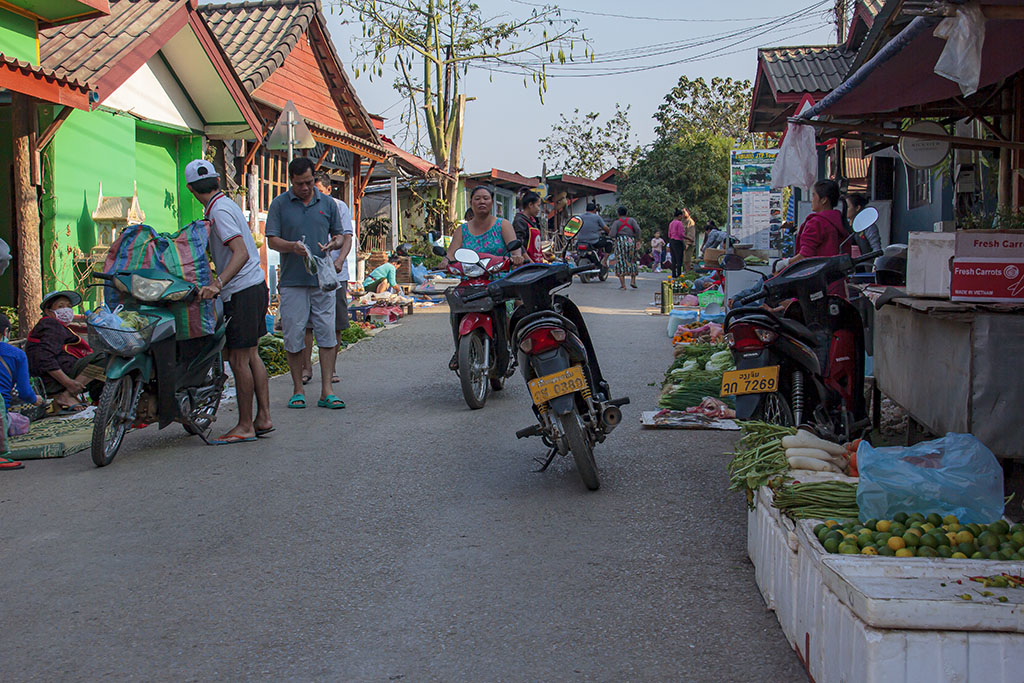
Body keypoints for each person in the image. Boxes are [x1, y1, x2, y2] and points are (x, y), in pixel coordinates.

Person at [184, 158, 273, 443]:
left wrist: (217, 283)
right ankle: (263, 418)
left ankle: (245, 425)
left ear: (190, 189)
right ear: (217, 182)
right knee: (251, 355)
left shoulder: (219, 211)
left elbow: (240, 252)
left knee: (238, 359)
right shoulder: (225, 205)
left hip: (242, 290)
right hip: (254, 286)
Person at [265, 156, 348, 411]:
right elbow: (272, 240)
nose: (306, 187)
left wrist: (334, 244)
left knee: (326, 334)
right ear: (291, 181)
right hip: (292, 281)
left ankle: (327, 391)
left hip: (322, 280)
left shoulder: (328, 204)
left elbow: (340, 235)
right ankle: (297, 389)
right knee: (294, 335)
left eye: (310, 182)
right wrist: (292, 247)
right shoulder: (279, 204)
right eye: (300, 183)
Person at [442, 185, 525, 370]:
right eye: (477, 198)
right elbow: (451, 254)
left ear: (492, 202)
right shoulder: (462, 230)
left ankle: (509, 347)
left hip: (499, 280)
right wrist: (445, 261)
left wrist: (516, 257)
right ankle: (460, 348)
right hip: (470, 281)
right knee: (455, 308)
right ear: (471, 202)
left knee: (509, 311)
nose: (482, 202)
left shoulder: (503, 225)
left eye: (486, 198)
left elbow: (515, 249)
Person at [301, 172, 355, 386]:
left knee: (335, 323)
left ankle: (331, 368)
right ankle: (306, 368)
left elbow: (347, 237)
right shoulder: (303, 206)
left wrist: (340, 260)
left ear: (328, 189)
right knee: (307, 324)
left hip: (334, 274)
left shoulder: (338, 206)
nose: (314, 194)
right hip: (309, 272)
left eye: (319, 190)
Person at [26, 290, 106, 411]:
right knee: (103, 357)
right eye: (60, 306)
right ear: (48, 311)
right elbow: (45, 358)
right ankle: (67, 395)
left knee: (103, 371)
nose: (66, 309)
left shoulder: (59, 327)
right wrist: (69, 383)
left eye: (69, 306)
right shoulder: (50, 324)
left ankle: (96, 402)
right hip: (52, 381)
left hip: (56, 377)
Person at [0, 313, 44, 413]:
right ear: (6, 332)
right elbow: (24, 392)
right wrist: (35, 399)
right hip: (1, 413)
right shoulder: (17, 354)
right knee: (22, 423)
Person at [611, 206, 640, 289]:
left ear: (618, 213)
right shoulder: (632, 220)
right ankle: (633, 281)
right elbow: (638, 229)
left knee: (620, 261)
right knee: (632, 260)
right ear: (626, 213)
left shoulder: (616, 222)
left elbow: (612, 234)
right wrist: (638, 239)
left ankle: (623, 285)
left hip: (620, 242)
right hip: (631, 241)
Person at [513, 191, 543, 262]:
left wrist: (543, 254)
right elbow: (519, 245)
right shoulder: (520, 221)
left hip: (536, 263)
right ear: (530, 205)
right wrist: (530, 262)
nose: (539, 209)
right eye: (538, 205)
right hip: (527, 266)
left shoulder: (533, 221)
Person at [667, 209, 687, 278]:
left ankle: (673, 273)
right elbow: (681, 234)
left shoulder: (671, 223)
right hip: (678, 241)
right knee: (679, 258)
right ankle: (679, 274)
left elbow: (669, 234)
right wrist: (687, 237)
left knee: (673, 258)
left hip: (672, 241)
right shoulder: (679, 223)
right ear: (679, 216)